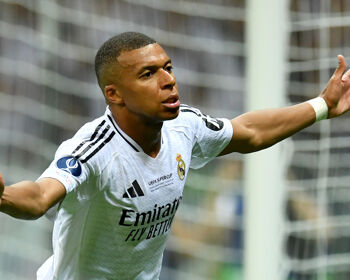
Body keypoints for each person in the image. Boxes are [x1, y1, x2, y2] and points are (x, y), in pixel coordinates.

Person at [0, 31, 350, 280]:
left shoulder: (185, 126)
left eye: (168, 67)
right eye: (148, 74)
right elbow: (39, 196)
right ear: (115, 94)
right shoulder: (95, 149)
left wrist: (321, 105)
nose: (168, 80)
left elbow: (250, 132)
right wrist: (2, 196)